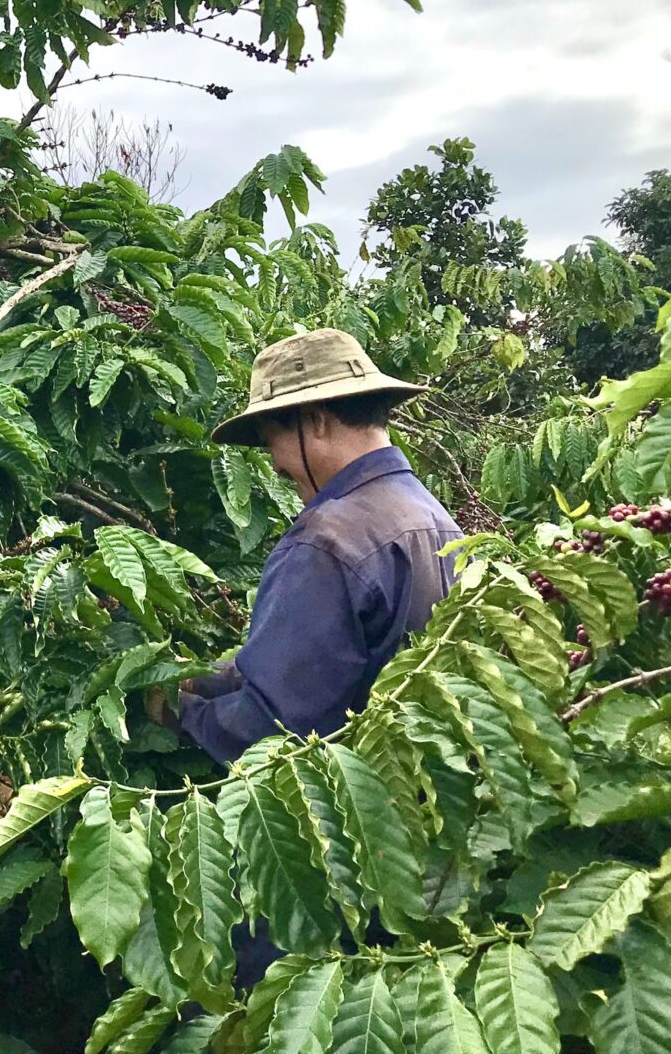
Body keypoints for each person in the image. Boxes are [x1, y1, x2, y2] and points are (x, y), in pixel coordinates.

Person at [150, 328, 461, 981]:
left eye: (272, 443)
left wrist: (169, 709)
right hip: (410, 857)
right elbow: (339, 663)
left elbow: (268, 730)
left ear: (315, 420)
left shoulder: (328, 539)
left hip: (318, 867)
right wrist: (205, 679)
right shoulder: (434, 519)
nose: (277, 467)